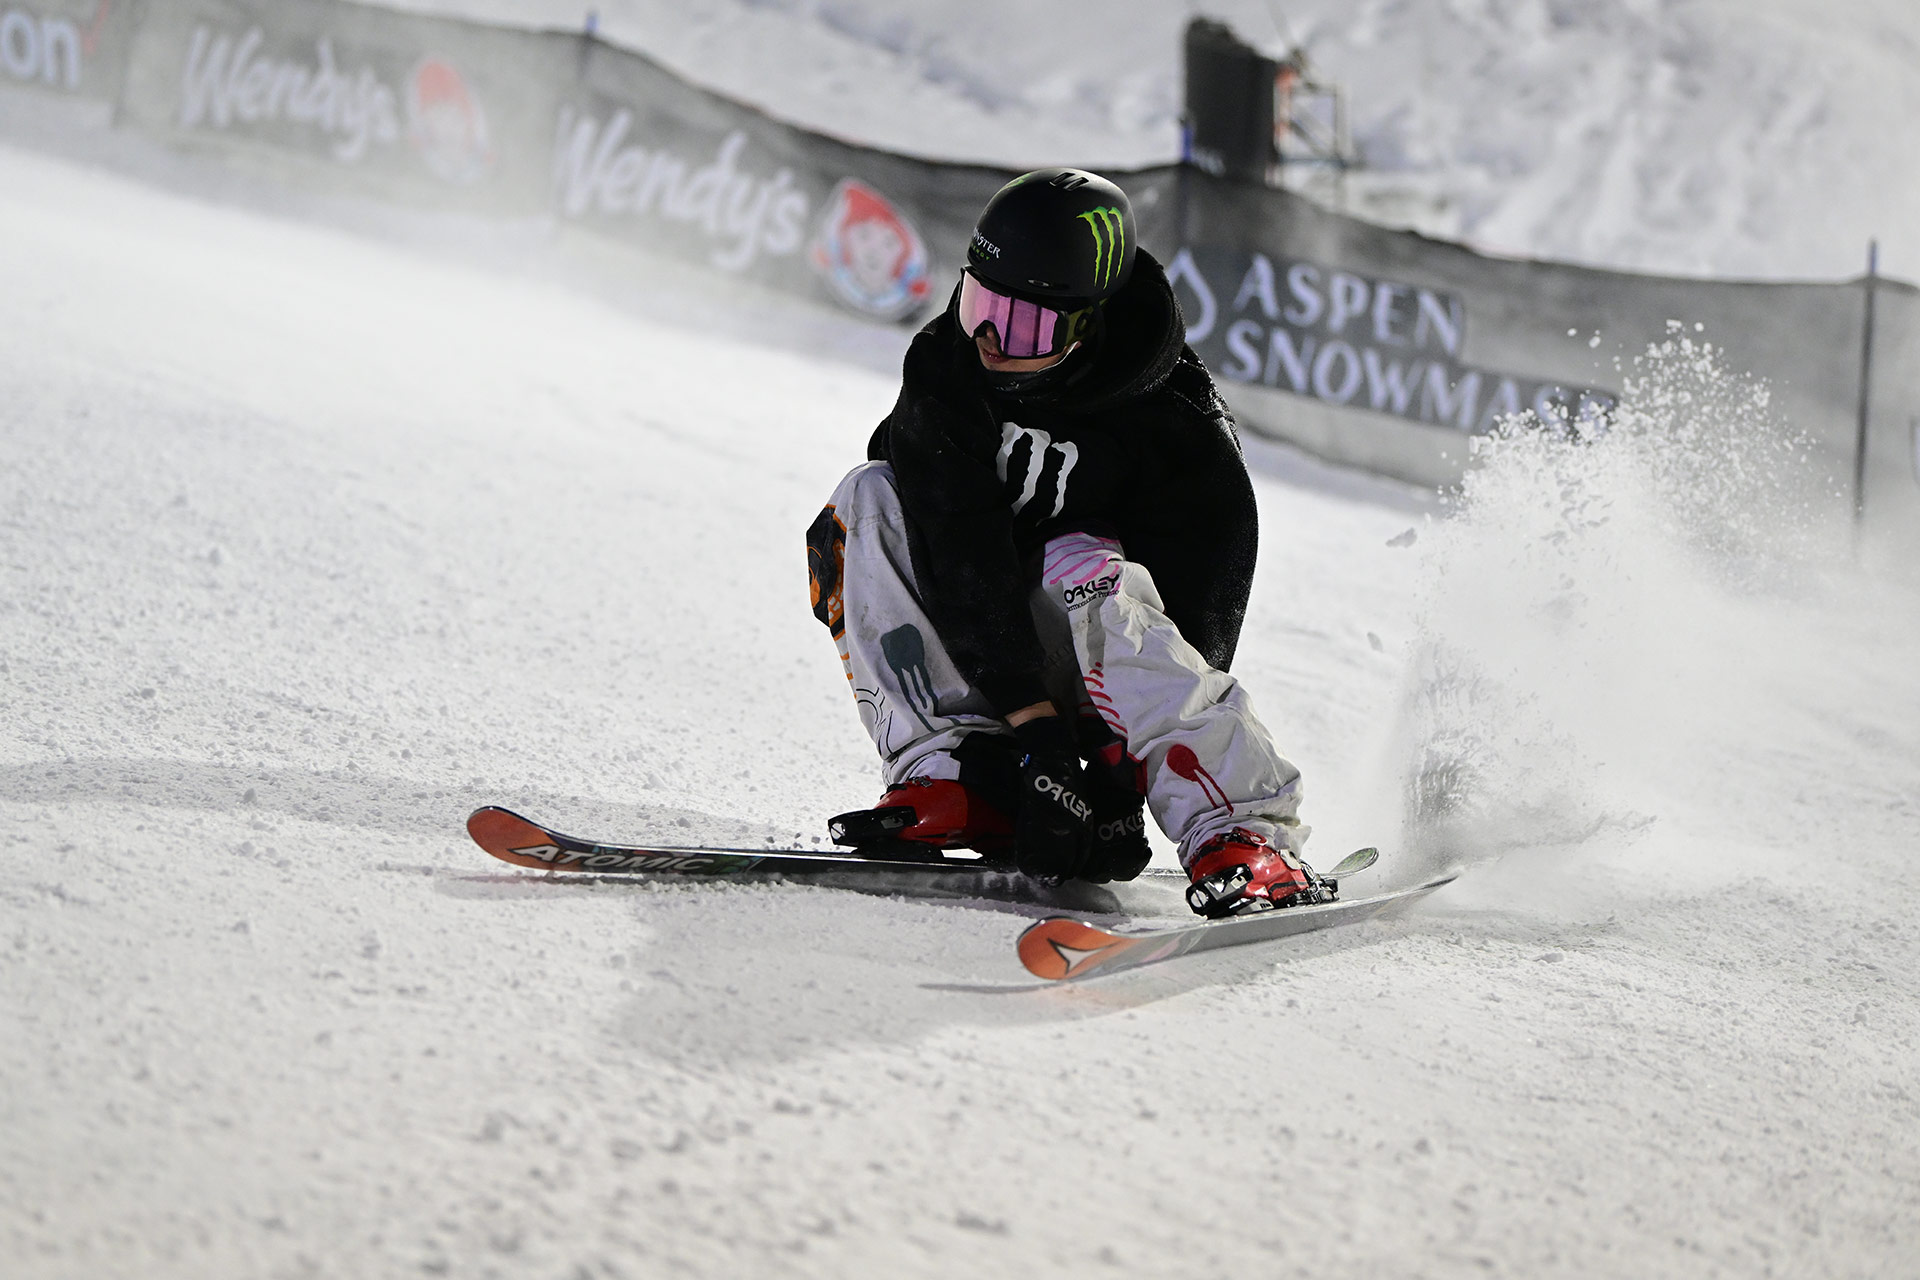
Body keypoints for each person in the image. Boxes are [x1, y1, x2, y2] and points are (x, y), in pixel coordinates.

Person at [805, 167, 1328, 917]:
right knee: (867, 500)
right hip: (990, 646)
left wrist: (1110, 775)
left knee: (1079, 560)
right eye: (979, 305)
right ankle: (958, 770)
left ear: (1090, 323)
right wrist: (1032, 739)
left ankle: (1240, 828)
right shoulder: (946, 367)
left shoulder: (1177, 431)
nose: (989, 340)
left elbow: (1202, 619)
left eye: (1024, 326)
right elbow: (952, 539)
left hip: (1113, 673)